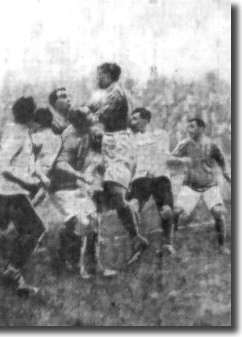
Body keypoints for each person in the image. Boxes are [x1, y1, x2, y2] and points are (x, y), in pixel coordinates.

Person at [87, 62, 148, 265]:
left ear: (109, 75)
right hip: (109, 141)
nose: (98, 78)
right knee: (101, 195)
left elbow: (100, 115)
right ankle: (134, 237)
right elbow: (93, 109)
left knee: (115, 191)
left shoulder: (116, 93)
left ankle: (136, 237)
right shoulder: (108, 93)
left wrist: (84, 116)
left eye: (100, 74)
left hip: (119, 143)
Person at [47, 107, 117, 279]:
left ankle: (97, 266)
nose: (93, 116)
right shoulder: (71, 138)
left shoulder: (87, 131)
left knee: (94, 221)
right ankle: (80, 267)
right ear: (79, 121)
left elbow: (103, 142)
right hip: (61, 188)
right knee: (83, 223)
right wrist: (80, 175)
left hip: (76, 186)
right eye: (88, 115)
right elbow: (60, 164)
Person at [0, 96, 47, 296]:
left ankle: (11, 270)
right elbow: (1, 164)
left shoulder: (18, 131)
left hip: (7, 190)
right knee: (36, 229)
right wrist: (27, 181)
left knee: (25, 231)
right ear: (30, 115)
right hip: (12, 191)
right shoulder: (19, 135)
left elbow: (15, 156)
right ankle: (12, 272)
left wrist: (37, 176)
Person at [168, 118, 231, 254]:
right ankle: (170, 244)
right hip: (190, 186)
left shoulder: (211, 144)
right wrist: (181, 160)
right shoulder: (184, 143)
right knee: (176, 212)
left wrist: (227, 175)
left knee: (219, 214)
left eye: (192, 127)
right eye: (188, 127)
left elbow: (222, 160)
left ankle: (222, 246)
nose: (189, 130)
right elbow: (170, 159)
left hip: (210, 185)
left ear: (201, 128)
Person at [126, 108, 176, 255]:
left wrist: (155, 170)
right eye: (132, 119)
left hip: (159, 176)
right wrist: (129, 180)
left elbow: (164, 156)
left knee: (166, 210)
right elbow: (131, 161)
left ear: (146, 120)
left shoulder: (160, 134)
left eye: (135, 118)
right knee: (132, 208)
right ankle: (137, 243)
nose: (132, 122)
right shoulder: (131, 138)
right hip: (140, 178)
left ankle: (168, 244)